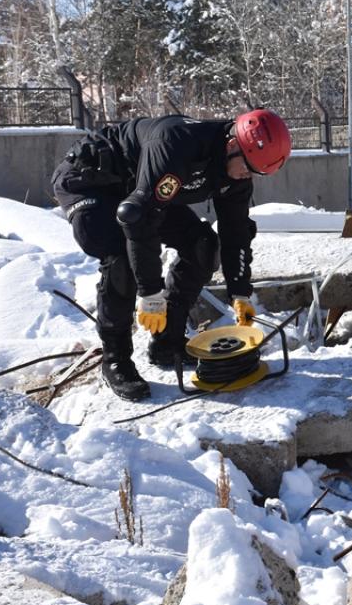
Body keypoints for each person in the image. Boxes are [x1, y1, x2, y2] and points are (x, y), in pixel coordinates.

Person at [50, 110, 292, 401]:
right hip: (93, 181)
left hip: (142, 192)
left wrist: (240, 291)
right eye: (249, 167)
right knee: (122, 258)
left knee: (202, 245)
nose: (248, 176)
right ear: (231, 145)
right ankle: (116, 360)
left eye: (256, 172)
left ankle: (168, 341)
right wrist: (151, 294)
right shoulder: (176, 144)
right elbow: (138, 218)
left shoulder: (237, 169)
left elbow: (236, 231)